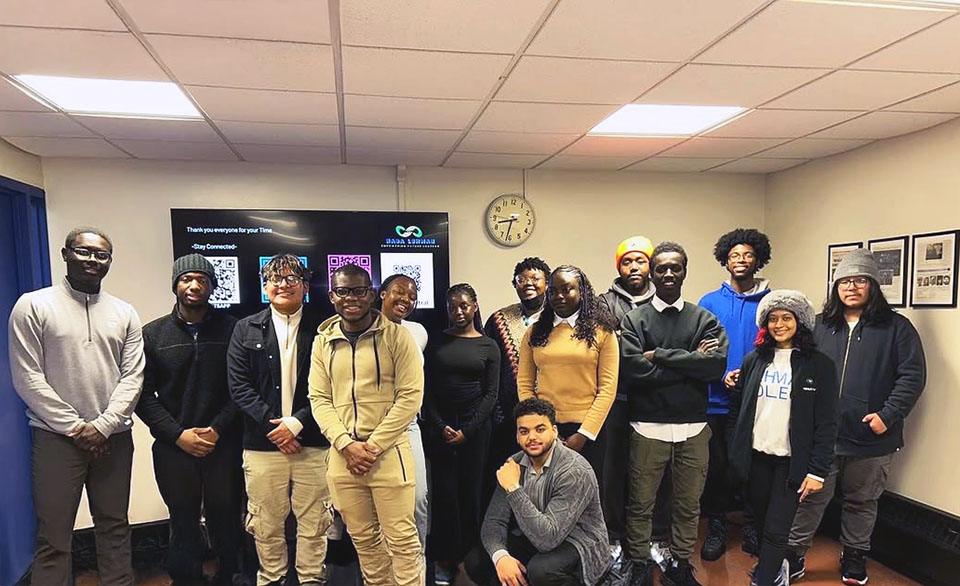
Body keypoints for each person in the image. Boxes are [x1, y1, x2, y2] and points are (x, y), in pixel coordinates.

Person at [8, 226, 144, 586]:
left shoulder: (124, 312)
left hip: (113, 438)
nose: (92, 260)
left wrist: (102, 425)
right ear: (65, 253)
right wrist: (74, 426)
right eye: (83, 252)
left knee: (115, 528)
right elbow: (27, 377)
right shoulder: (33, 305)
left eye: (102, 255)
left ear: (109, 262)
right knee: (53, 537)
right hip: (55, 440)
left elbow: (133, 377)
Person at [786, 250, 926, 586]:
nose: (851, 287)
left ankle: (854, 555)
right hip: (823, 436)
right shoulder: (817, 326)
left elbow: (912, 377)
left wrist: (888, 416)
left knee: (862, 501)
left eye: (860, 280)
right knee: (809, 498)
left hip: (873, 438)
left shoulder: (897, 328)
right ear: (835, 286)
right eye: (845, 280)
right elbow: (793, 367)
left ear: (873, 286)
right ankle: (793, 554)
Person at [619, 241, 728, 586]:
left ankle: (680, 564)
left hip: (693, 429)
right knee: (640, 504)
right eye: (661, 268)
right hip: (646, 427)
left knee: (688, 505)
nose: (668, 274)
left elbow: (713, 366)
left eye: (675, 268)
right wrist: (688, 360)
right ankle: (638, 562)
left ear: (685, 271)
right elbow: (633, 372)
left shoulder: (704, 319)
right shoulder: (634, 319)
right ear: (652, 272)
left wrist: (660, 356)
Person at [308, 264, 424, 586]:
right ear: (332, 295)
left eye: (359, 290)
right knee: (365, 542)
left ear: (372, 294)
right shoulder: (323, 342)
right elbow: (318, 398)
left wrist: (370, 447)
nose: (351, 298)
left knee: (401, 542)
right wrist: (346, 445)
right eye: (343, 291)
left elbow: (410, 398)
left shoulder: (398, 337)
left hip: (388, 454)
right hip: (344, 458)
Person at [136, 254, 242, 585]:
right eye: (186, 279)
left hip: (222, 443)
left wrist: (217, 429)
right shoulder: (152, 334)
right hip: (173, 446)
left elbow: (241, 388)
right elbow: (141, 395)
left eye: (202, 279)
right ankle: (187, 579)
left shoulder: (233, 329)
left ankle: (229, 577)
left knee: (226, 519)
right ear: (175, 285)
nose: (194, 285)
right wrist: (177, 434)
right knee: (182, 521)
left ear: (212, 285)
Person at [227, 254, 331, 586]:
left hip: (313, 445)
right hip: (261, 447)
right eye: (274, 279)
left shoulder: (324, 327)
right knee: (266, 525)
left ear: (304, 285)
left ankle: (311, 580)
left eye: (290, 278)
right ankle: (270, 579)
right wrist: (276, 428)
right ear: (264, 286)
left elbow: (334, 385)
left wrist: (297, 425)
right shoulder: (245, 328)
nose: (282, 285)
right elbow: (238, 387)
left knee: (315, 525)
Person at [726, 291, 838, 586]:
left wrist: (817, 471)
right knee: (760, 523)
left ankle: (763, 579)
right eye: (773, 319)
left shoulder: (820, 365)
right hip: (757, 457)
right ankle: (772, 569)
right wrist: (735, 449)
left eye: (786, 318)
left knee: (777, 528)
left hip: (791, 462)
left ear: (799, 322)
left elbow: (827, 423)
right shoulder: (754, 361)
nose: (779, 324)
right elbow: (738, 408)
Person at [464, 398, 611, 586]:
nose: (531, 437)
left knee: (541, 571)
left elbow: (548, 539)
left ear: (555, 431)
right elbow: (493, 522)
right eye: (524, 431)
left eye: (540, 429)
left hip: (580, 542)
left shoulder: (574, 471)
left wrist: (513, 488)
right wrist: (501, 557)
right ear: (517, 437)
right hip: (533, 534)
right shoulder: (514, 464)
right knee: (477, 561)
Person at [697, 228, 773, 560]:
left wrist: (750, 375)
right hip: (715, 399)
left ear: (758, 259)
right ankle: (716, 526)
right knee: (718, 468)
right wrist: (721, 373)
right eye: (734, 256)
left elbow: (778, 346)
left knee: (754, 467)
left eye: (747, 255)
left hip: (759, 401)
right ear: (725, 261)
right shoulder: (709, 302)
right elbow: (699, 350)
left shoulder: (770, 302)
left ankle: (753, 526)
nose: (741, 261)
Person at [423, 284, 500, 584]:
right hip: (441, 428)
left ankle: (472, 558)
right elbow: (427, 391)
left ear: (475, 306)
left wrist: (467, 431)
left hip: (476, 430)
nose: (458, 312)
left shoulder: (488, 345)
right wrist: (441, 426)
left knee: (472, 494)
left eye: (464, 306)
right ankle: (445, 558)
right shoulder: (437, 343)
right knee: (445, 496)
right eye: (452, 306)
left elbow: (491, 394)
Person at [518, 264, 618, 480]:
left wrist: (583, 435)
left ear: (581, 292)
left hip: (589, 432)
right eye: (553, 291)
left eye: (567, 289)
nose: (559, 296)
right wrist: (541, 427)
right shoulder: (535, 332)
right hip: (545, 429)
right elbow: (525, 384)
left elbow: (608, 389)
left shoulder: (603, 332)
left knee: (586, 500)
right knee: (545, 499)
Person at [598, 236, 664, 555]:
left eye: (640, 260)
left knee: (651, 471)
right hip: (616, 400)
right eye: (627, 261)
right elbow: (605, 347)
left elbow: (670, 347)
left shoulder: (664, 300)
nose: (634, 266)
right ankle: (612, 538)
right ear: (619, 266)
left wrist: (634, 345)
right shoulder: (603, 303)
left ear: (650, 264)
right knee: (612, 472)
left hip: (655, 401)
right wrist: (644, 350)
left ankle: (653, 538)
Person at [484, 257, 551, 478]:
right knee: (509, 476)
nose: (528, 283)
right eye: (521, 279)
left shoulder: (558, 320)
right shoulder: (498, 320)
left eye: (535, 278)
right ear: (515, 285)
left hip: (551, 414)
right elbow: (489, 369)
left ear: (547, 283)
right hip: (508, 417)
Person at [378, 273, 430, 552]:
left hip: (408, 425)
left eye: (412, 296)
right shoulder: (363, 329)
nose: (406, 299)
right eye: (399, 292)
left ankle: (416, 565)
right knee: (375, 505)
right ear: (382, 293)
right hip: (371, 426)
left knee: (418, 498)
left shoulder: (418, 332)